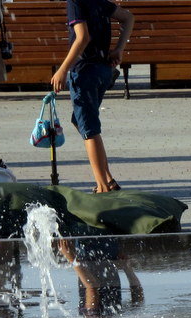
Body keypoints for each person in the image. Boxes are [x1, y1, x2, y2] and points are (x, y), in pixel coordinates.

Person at [51, 0, 134, 193]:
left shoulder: (75, 2)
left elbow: (82, 37)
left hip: (84, 71)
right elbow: (128, 18)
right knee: (80, 121)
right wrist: (119, 49)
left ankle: (103, 187)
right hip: (102, 71)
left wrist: (62, 70)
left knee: (89, 129)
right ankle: (108, 179)